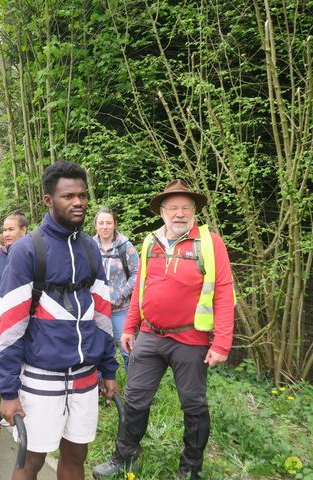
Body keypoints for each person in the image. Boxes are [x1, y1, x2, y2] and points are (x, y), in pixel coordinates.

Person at [93, 180, 235, 480]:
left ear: (194, 210)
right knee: (134, 398)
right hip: (150, 336)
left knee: (194, 406)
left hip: (191, 339)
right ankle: (125, 457)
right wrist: (129, 327)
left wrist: (222, 342)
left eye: (186, 207)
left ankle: (190, 470)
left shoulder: (209, 243)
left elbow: (223, 290)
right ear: (162, 211)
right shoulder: (149, 242)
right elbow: (141, 290)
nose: (180, 213)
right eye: (173, 207)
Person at [0, 161, 119, 480]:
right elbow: (9, 327)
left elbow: (102, 316)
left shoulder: (91, 249)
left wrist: (108, 369)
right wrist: (7, 392)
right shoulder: (28, 250)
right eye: (68, 196)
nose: (78, 202)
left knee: (76, 457)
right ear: (49, 200)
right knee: (30, 461)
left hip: (85, 378)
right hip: (40, 379)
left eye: (82, 195)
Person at [93, 207, 139, 372]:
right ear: (95, 226)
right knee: (95, 352)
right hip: (95, 310)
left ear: (115, 224)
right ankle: (99, 390)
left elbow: (137, 273)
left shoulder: (125, 246)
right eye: (101, 223)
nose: (105, 226)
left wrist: (122, 294)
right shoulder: (89, 246)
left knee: (128, 350)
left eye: (108, 223)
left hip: (121, 309)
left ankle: (134, 392)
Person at [0, 212, 28, 317]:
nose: (6, 234)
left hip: (29, 316)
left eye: (11, 230)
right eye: (4, 230)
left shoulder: (32, 254)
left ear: (23, 230)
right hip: (1, 316)